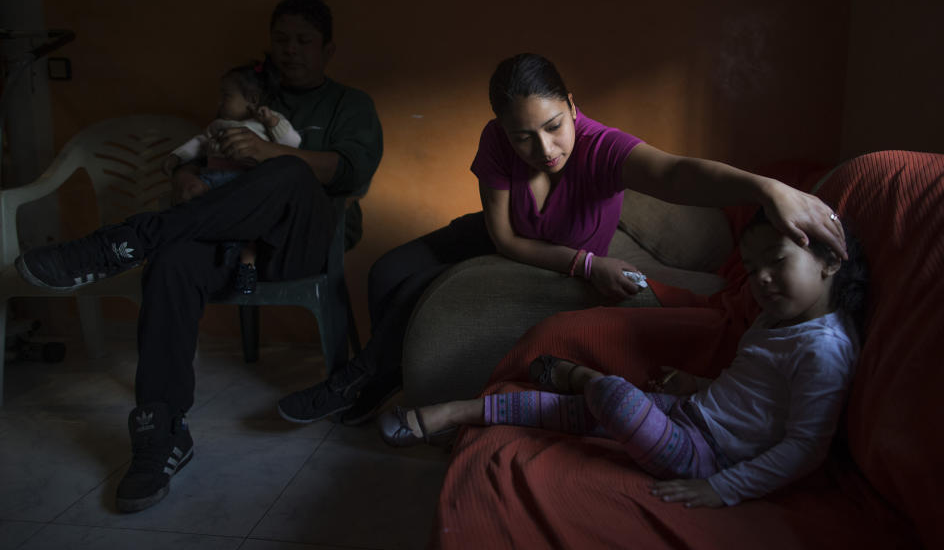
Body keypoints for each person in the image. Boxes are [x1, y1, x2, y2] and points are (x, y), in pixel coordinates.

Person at [277, 52, 848, 428]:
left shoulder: (602, 147)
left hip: (547, 257)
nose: (544, 148)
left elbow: (675, 173)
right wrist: (583, 259)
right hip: (502, 239)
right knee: (386, 270)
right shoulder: (498, 143)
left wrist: (765, 187)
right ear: (503, 129)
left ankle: (350, 383)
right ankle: (382, 379)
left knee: (417, 290)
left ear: (572, 106)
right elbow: (501, 235)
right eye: (523, 137)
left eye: (554, 126)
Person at [15, 0, 383, 513]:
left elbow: (351, 172)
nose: (291, 50)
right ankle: (161, 429)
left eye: (304, 41)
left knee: (289, 171)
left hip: (303, 240)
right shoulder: (245, 91)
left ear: (328, 49)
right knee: (172, 262)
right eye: (282, 40)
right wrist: (185, 175)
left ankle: (126, 240)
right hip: (226, 235)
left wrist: (271, 152)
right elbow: (200, 150)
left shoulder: (350, 104)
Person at [378, 213, 868, 508]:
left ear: (829, 260)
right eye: (754, 268)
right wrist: (695, 384)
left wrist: (723, 489)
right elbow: (753, 394)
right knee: (577, 414)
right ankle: (452, 413)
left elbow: (805, 447)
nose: (760, 280)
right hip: (690, 417)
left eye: (776, 262)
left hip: (704, 458)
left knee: (612, 395)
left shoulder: (824, 350)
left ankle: (578, 376)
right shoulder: (774, 320)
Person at [162, 62, 303, 293]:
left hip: (243, 185)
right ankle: (190, 245)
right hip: (213, 182)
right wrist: (176, 158)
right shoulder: (217, 126)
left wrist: (273, 123)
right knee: (191, 201)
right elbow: (197, 144)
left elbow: (292, 145)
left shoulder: (265, 123)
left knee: (248, 230)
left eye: (225, 96)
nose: (219, 103)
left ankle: (246, 265)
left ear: (253, 100)